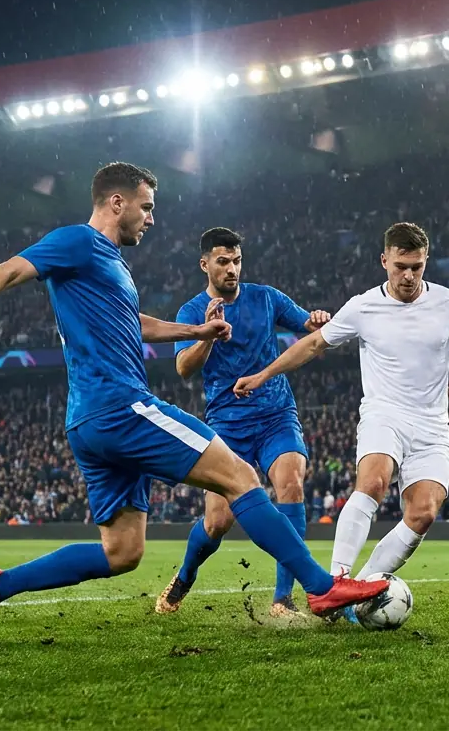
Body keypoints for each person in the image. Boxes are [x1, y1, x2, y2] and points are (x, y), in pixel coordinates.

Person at [0, 162, 387, 637]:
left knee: (122, 552)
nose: (151, 218)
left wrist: (196, 330)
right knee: (241, 477)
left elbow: (134, 323)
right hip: (120, 406)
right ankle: (321, 587)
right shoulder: (79, 240)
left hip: (87, 423)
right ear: (117, 202)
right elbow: (11, 270)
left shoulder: (110, 265)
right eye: (147, 207)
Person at [234, 222, 449, 603]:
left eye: (417, 267)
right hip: (383, 415)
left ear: (426, 262)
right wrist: (263, 374)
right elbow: (312, 346)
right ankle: (335, 582)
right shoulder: (362, 306)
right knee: (373, 482)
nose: (408, 275)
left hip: (432, 425)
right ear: (384, 260)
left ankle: (365, 584)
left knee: (423, 513)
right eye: (400, 266)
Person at [155, 227, 330, 619]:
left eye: (236, 261)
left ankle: (283, 600)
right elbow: (184, 368)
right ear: (205, 265)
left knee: (292, 483)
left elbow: (309, 325)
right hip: (226, 425)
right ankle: (185, 575)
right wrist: (208, 335)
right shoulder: (190, 311)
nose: (231, 268)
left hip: (275, 414)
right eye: (222, 262)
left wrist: (316, 318)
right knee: (218, 521)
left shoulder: (266, 298)